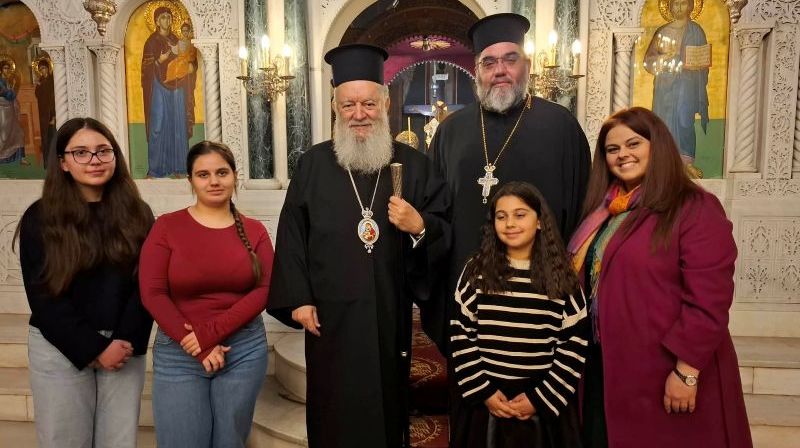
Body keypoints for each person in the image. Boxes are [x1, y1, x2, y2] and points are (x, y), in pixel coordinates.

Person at [266, 44, 451, 448]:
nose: (359, 114)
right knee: (334, 410)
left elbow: (443, 229)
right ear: (335, 108)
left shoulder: (415, 165)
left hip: (389, 313)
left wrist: (419, 226)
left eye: (368, 103)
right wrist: (298, 298)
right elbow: (292, 233)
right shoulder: (313, 165)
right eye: (348, 105)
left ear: (385, 104)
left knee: (386, 408)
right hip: (329, 320)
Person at [567, 107, 751, 447]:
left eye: (633, 144)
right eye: (612, 149)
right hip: (606, 364)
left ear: (658, 146)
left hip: (665, 367)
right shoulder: (603, 211)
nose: (622, 154)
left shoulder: (693, 206)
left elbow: (709, 300)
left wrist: (686, 371)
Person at [427, 12, 591, 352]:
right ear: (477, 71)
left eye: (510, 59)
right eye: (489, 62)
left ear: (526, 66)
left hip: (541, 295)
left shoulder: (561, 127)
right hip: (468, 293)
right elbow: (435, 215)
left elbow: (580, 213)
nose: (500, 70)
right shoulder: (450, 132)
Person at [16, 117, 154, 448]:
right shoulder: (40, 217)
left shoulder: (138, 213)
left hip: (123, 345)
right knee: (65, 441)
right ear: (63, 162)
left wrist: (122, 342)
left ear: (115, 157)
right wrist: (94, 348)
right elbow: (44, 297)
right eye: (81, 152)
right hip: (60, 346)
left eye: (103, 151)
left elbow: (146, 284)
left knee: (118, 442)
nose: (94, 160)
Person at [139, 141, 273, 447]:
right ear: (190, 180)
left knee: (230, 442)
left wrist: (209, 334)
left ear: (235, 176)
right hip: (180, 351)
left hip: (243, 351)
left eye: (222, 172)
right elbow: (152, 292)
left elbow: (266, 288)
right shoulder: (166, 227)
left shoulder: (255, 230)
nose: (214, 181)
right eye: (203, 174)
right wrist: (198, 345)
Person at [450, 181, 587, 447]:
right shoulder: (476, 271)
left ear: (539, 221)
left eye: (520, 214)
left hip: (541, 400)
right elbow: (461, 334)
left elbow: (574, 343)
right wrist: (485, 392)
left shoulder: (562, 276)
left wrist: (540, 398)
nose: (510, 223)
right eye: (501, 217)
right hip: (488, 399)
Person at [643, 0, 709, 174]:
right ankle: (662, 161)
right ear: (670, 7)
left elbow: (703, 59)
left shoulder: (696, 31)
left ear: (691, 6)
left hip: (687, 85)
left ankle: (686, 163)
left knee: (685, 120)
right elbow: (648, 61)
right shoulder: (662, 32)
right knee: (663, 122)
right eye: (675, 4)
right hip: (665, 87)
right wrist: (663, 59)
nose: (679, 8)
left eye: (683, 3)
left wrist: (695, 64)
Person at [141, 7, 194, 177]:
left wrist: (191, 67)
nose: (167, 20)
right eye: (163, 17)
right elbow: (145, 68)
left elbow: (189, 57)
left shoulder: (176, 40)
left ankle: (180, 168)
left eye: (169, 17)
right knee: (157, 124)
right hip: (157, 85)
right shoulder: (151, 42)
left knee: (178, 123)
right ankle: (156, 169)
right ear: (157, 21)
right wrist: (159, 60)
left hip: (177, 85)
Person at [0, 60, 26, 165]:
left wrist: (13, 87)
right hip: (2, 109)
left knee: (18, 132)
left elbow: (11, 94)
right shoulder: (0, 81)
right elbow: (6, 94)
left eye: (8, 68)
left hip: (11, 109)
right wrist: (11, 90)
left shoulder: (7, 81)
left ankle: (21, 158)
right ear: (1, 70)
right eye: (5, 68)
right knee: (4, 134)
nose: (7, 70)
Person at [34, 59, 56, 168]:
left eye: (44, 68)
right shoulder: (41, 80)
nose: (42, 71)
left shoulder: (52, 80)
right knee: (45, 138)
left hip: (51, 113)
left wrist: (53, 116)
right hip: (43, 114)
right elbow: (37, 95)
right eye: (40, 69)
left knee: (53, 137)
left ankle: (55, 162)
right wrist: (38, 86)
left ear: (48, 68)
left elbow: (53, 99)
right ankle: (47, 162)